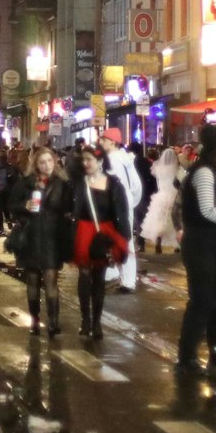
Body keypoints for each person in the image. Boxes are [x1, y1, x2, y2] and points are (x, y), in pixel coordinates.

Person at [178, 125, 216, 374]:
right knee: (202, 299)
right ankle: (187, 357)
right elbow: (206, 209)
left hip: (214, 242)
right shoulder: (205, 171)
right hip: (202, 242)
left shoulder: (213, 169)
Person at [67, 144, 131, 341]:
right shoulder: (78, 183)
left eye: (90, 160)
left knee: (99, 277)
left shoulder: (113, 183)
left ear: (101, 162)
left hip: (104, 232)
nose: (86, 164)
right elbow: (70, 206)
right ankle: (85, 320)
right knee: (84, 274)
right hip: (83, 231)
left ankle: (97, 322)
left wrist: (123, 237)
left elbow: (122, 211)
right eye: (83, 160)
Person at [7, 147, 70, 337]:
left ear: (55, 162)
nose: (47, 166)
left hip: (52, 237)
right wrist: (24, 206)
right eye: (42, 162)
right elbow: (11, 205)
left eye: (50, 161)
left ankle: (53, 321)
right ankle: (34, 320)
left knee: (51, 279)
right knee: (32, 279)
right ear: (36, 164)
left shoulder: (62, 183)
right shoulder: (26, 183)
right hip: (31, 236)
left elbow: (68, 208)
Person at [99, 129, 143, 292]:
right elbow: (135, 185)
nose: (100, 142)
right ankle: (115, 273)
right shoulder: (122, 158)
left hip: (118, 204)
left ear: (113, 142)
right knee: (116, 238)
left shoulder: (114, 160)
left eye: (104, 139)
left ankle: (126, 280)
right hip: (123, 203)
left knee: (123, 239)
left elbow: (114, 185)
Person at [142, 146, 181, 254]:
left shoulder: (157, 167)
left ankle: (158, 241)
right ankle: (177, 244)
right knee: (174, 219)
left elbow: (157, 180)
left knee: (159, 219)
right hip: (173, 194)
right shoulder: (175, 168)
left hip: (161, 194)